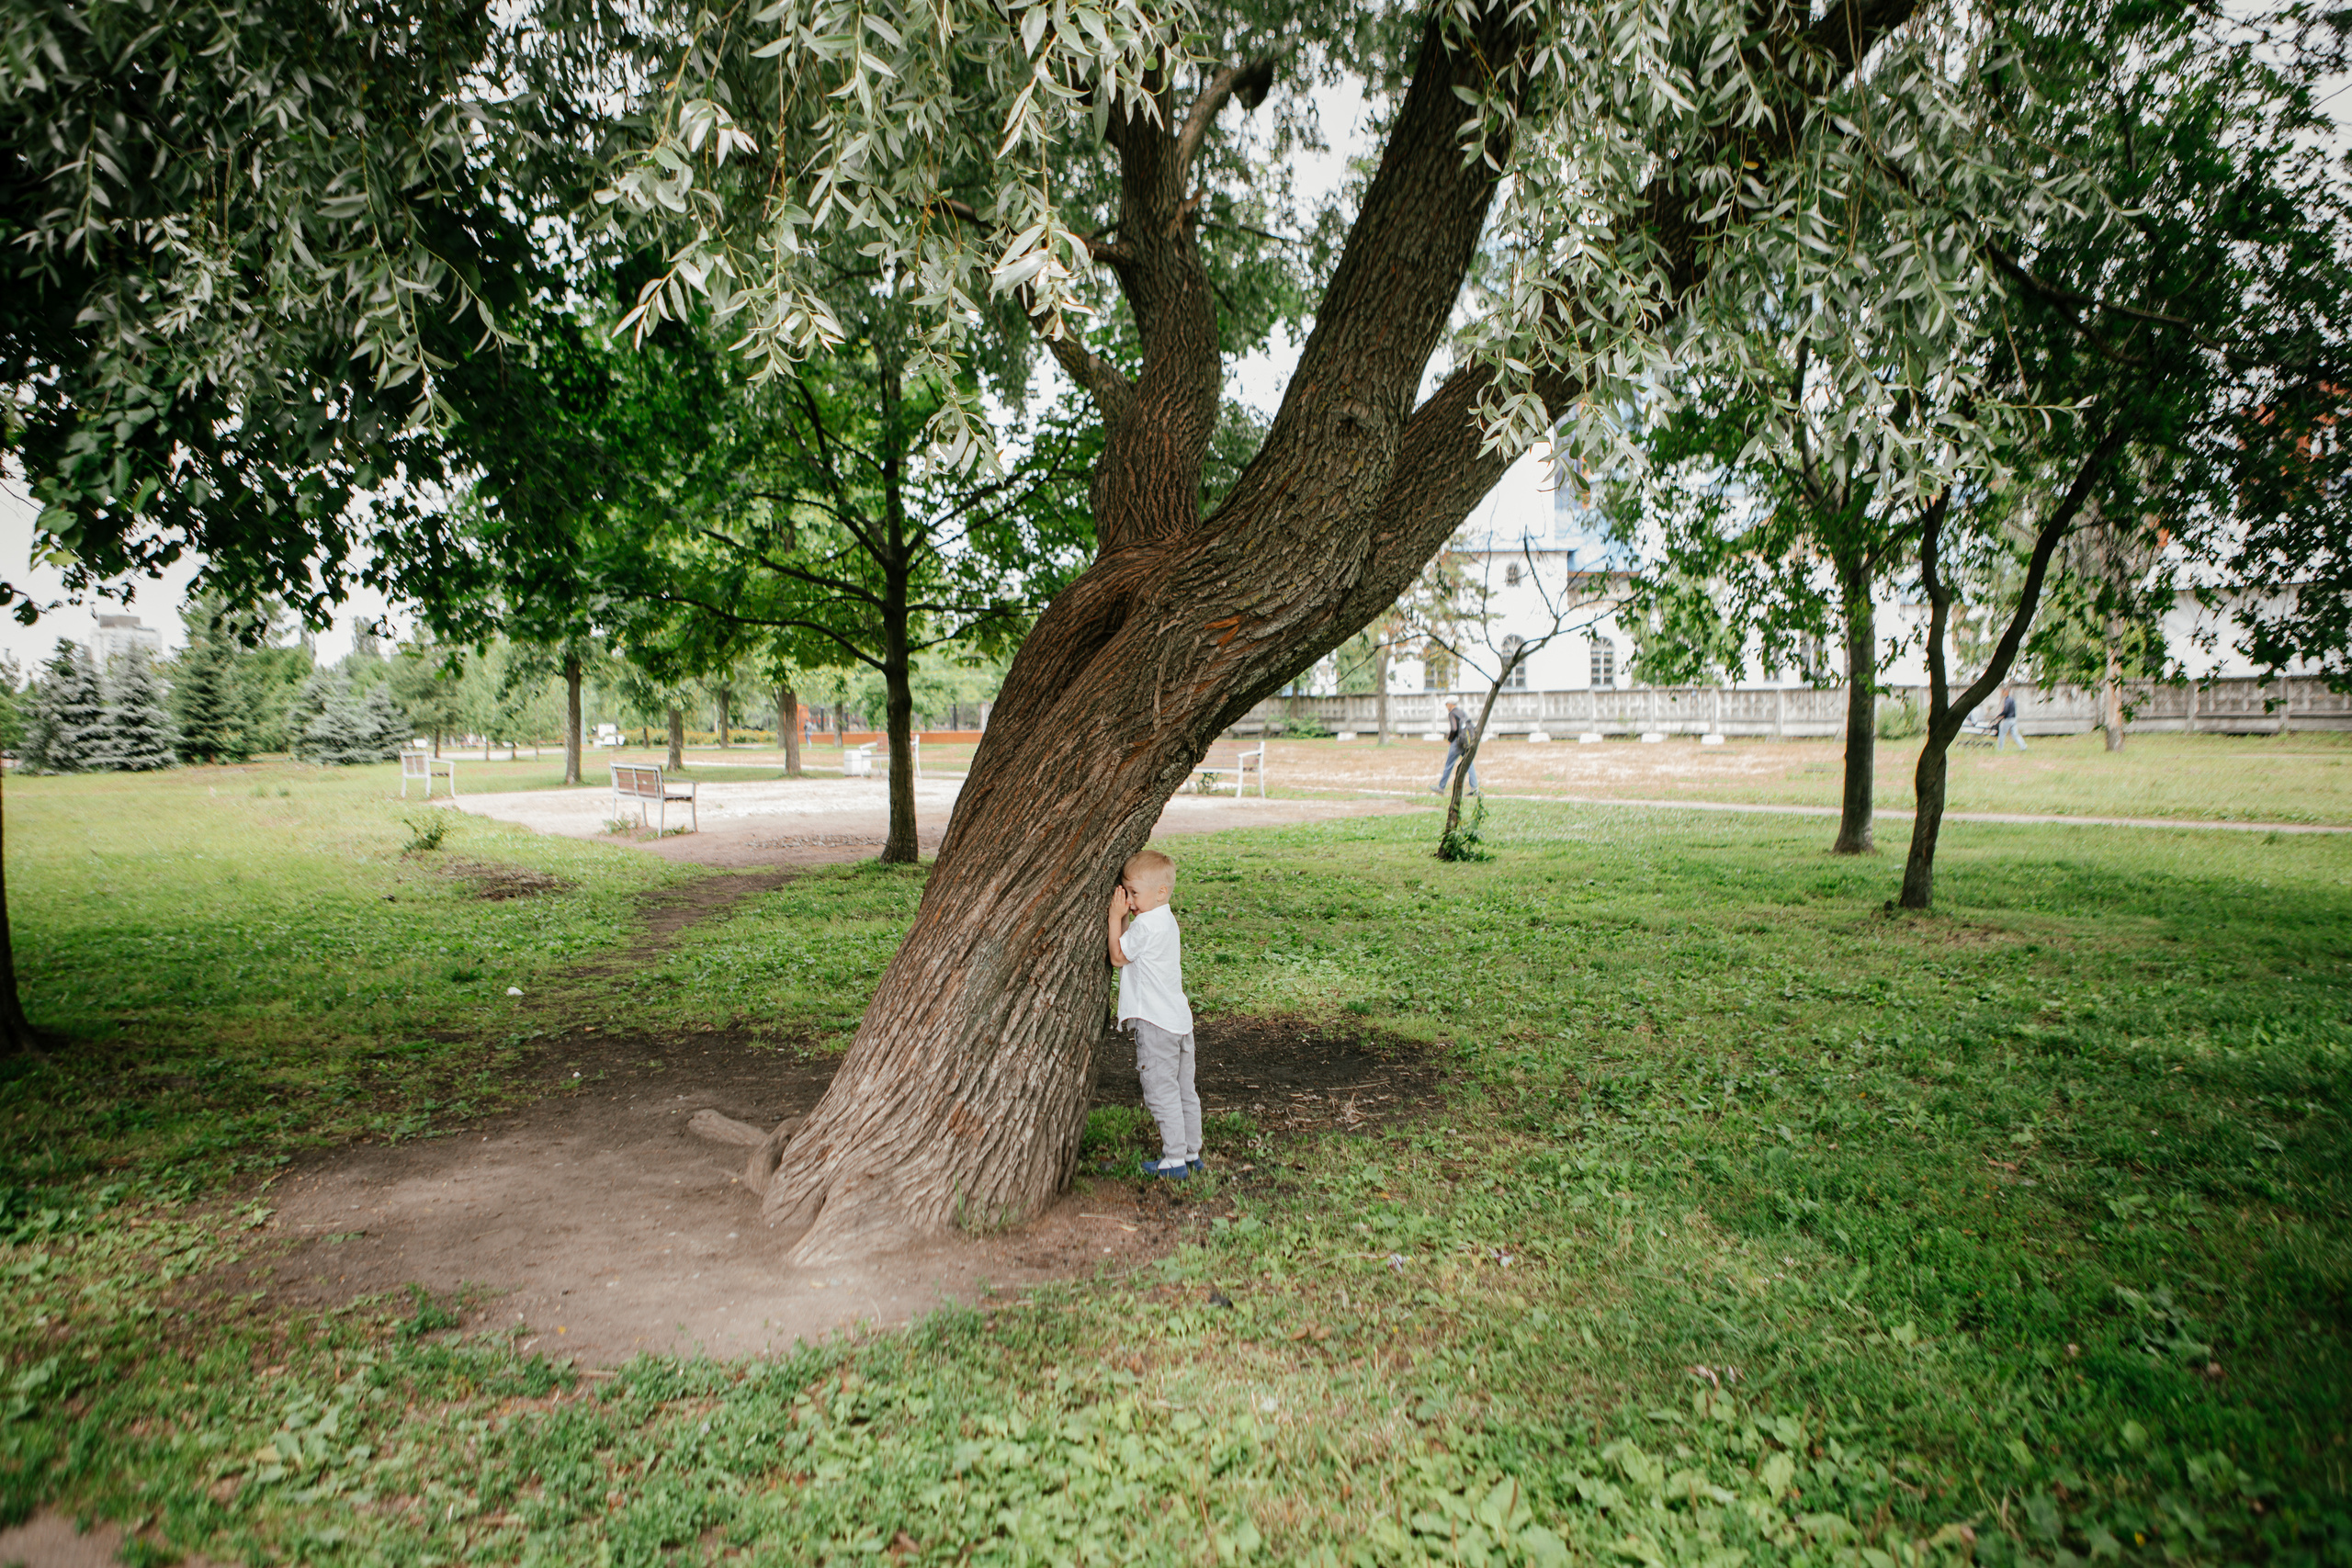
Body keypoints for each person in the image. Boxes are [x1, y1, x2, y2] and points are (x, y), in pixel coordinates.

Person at [1107, 848, 1199, 1179]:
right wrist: (1128, 914)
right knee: (1184, 1090)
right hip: (1178, 1022)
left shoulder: (1146, 926)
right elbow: (1133, 939)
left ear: (1160, 891)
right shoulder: (1164, 919)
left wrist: (1113, 916)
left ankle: (1173, 1160)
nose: (1129, 900)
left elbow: (1118, 956)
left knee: (1162, 1093)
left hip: (1156, 1024)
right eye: (1126, 893)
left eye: (1133, 893)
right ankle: (1191, 1152)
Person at [1430, 698, 1481, 795]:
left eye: (1446, 705)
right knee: (1469, 764)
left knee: (1449, 765)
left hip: (1457, 743)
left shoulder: (1452, 713)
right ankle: (1475, 789)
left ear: (1450, 704)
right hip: (1465, 742)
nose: (1446, 707)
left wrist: (1450, 739)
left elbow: (1454, 729)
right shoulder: (1462, 713)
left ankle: (1441, 787)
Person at [1996, 687, 2028, 751]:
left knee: (2002, 734)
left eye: (2003, 692)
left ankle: (2000, 748)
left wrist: (1999, 715)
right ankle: (2023, 747)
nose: (2002, 693)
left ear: (2006, 692)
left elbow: (2006, 710)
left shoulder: (2007, 700)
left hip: (2008, 719)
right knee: (2015, 734)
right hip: (2013, 719)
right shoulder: (2012, 699)